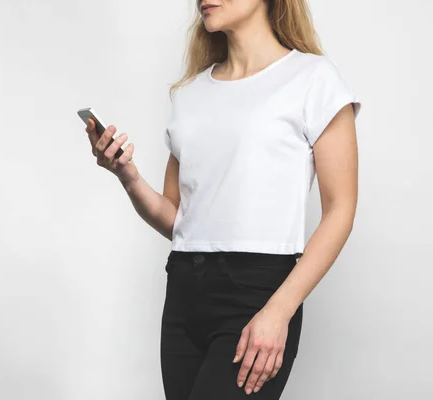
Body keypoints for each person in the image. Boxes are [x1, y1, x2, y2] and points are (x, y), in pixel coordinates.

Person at [84, 1, 361, 398]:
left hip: (258, 294)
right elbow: (178, 219)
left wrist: (278, 312)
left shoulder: (313, 78)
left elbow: (340, 212)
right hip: (183, 294)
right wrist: (126, 175)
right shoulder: (192, 94)